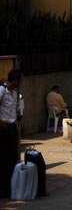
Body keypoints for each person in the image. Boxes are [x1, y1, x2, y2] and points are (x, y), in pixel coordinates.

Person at [0, 69, 23, 198]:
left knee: (13, 158)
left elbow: (16, 108)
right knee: (3, 158)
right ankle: (2, 188)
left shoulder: (15, 93)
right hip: (4, 128)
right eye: (20, 80)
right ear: (16, 79)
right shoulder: (2, 91)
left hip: (12, 127)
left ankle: (9, 186)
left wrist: (19, 113)